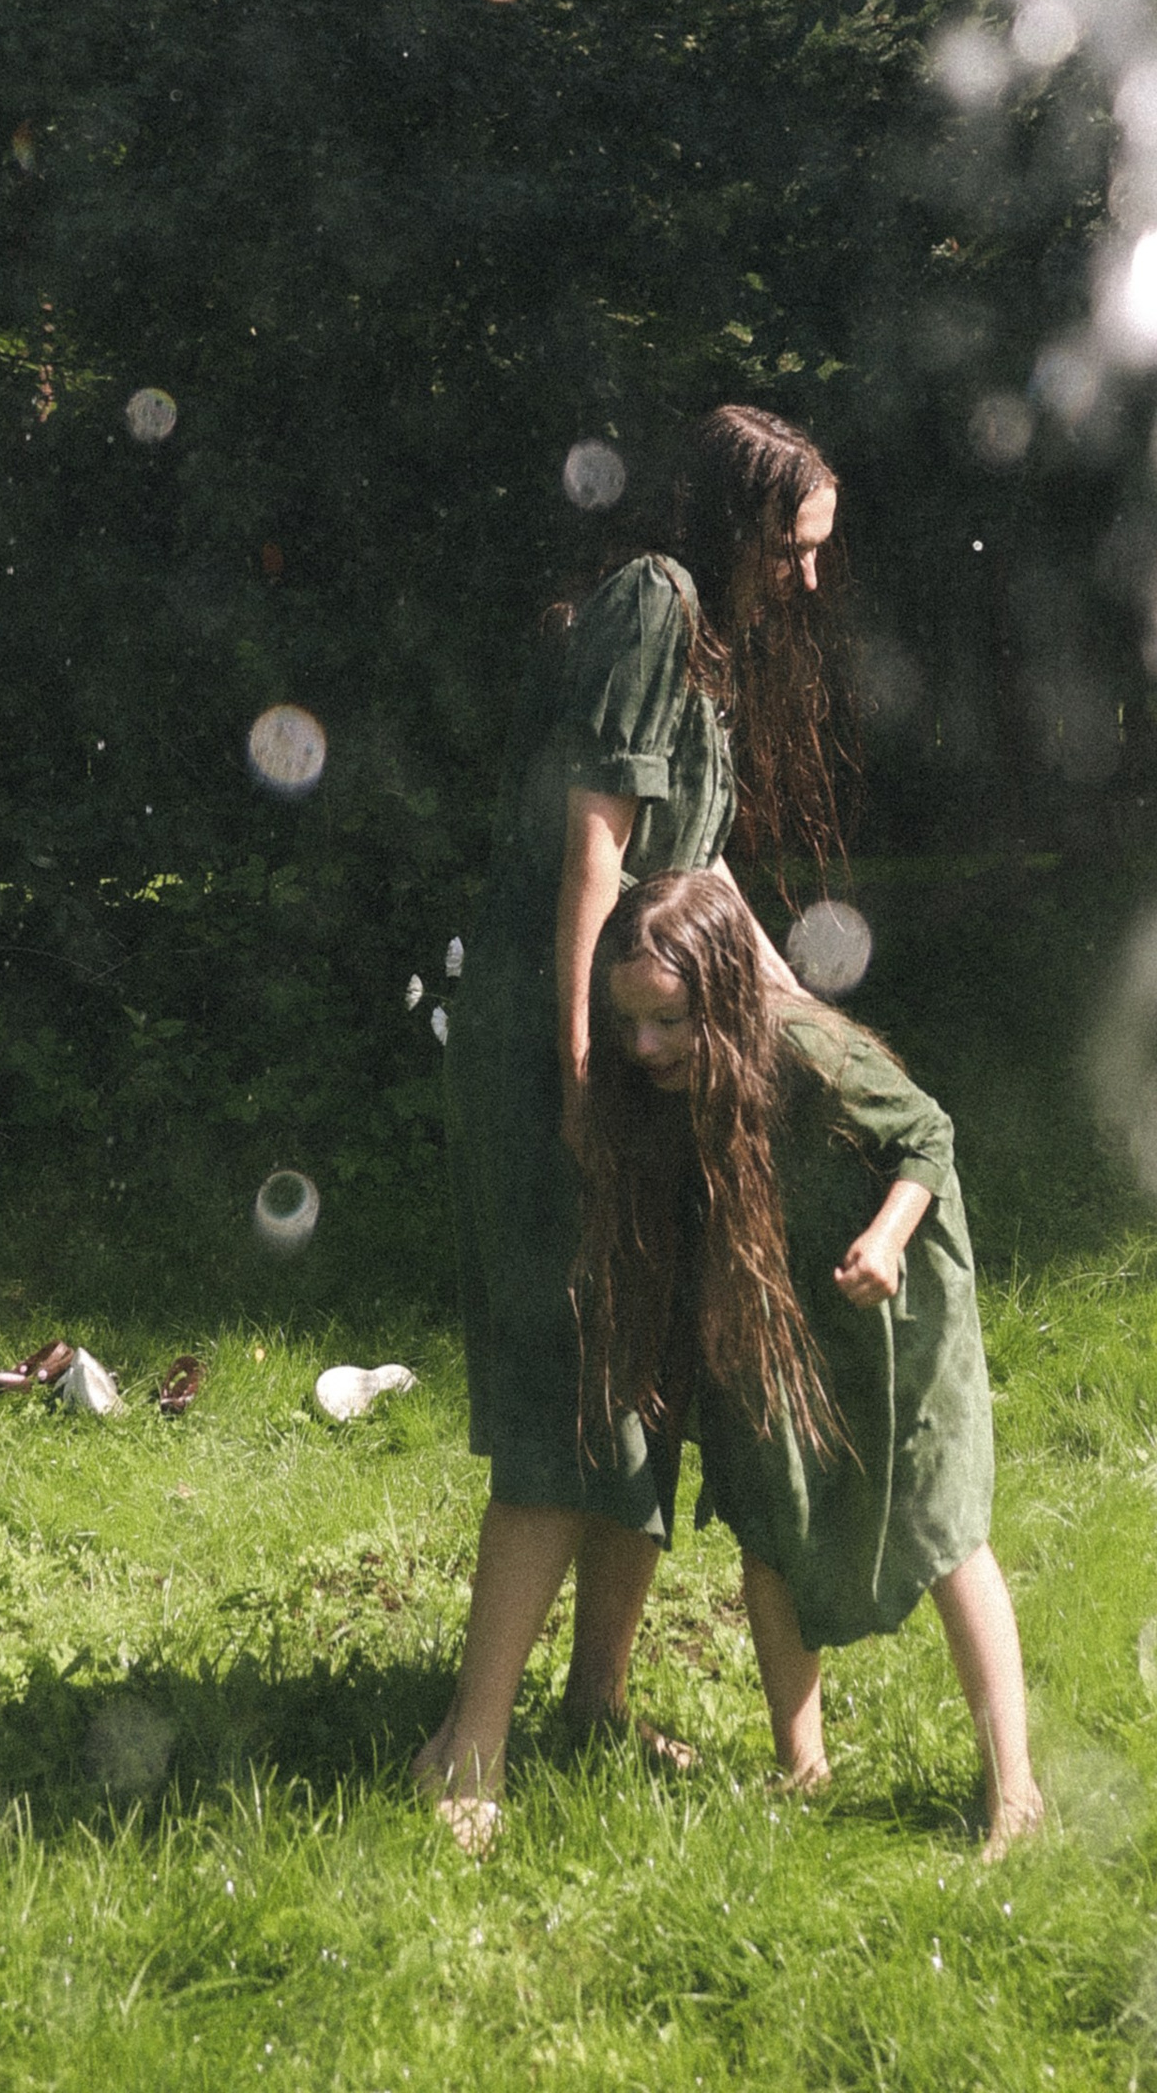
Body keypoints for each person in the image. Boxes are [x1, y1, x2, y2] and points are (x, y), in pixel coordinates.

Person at [411, 404, 848, 1849]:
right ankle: (464, 1757)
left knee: (643, 1371)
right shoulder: (654, 605)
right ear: (736, 529)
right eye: (793, 548)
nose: (807, 579)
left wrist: (821, 1033)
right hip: (568, 1048)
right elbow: (597, 850)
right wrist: (586, 1063)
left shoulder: (711, 657)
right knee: (569, 1376)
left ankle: (592, 1708)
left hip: (648, 1053)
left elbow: (696, 866)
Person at [587, 868, 1042, 1857]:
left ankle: (1015, 1789)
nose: (644, 1046)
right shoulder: (656, 1077)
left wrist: (884, 1240)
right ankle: (803, 1767)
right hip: (773, 1318)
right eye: (628, 1023)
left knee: (941, 1527)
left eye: (666, 1020)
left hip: (888, 1319)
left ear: (724, 991)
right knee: (768, 1522)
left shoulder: (805, 1044)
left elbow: (928, 1135)